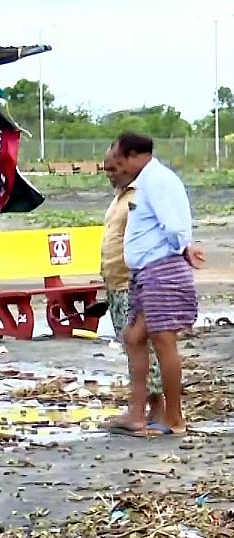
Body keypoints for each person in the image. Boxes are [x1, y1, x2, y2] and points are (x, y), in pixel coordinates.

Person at [108, 132, 204, 437]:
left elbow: (175, 226)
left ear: (136, 156)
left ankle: (174, 417)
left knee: (164, 342)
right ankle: (137, 413)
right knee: (134, 337)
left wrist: (182, 248)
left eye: (120, 162)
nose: (118, 169)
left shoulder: (158, 181)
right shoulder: (145, 183)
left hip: (161, 271)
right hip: (146, 274)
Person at [99, 146, 164, 429]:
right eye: (106, 171)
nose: (111, 176)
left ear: (130, 162)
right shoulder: (121, 196)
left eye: (114, 169)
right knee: (131, 347)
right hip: (115, 282)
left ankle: (151, 411)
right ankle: (145, 410)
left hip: (133, 283)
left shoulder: (143, 193)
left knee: (140, 347)